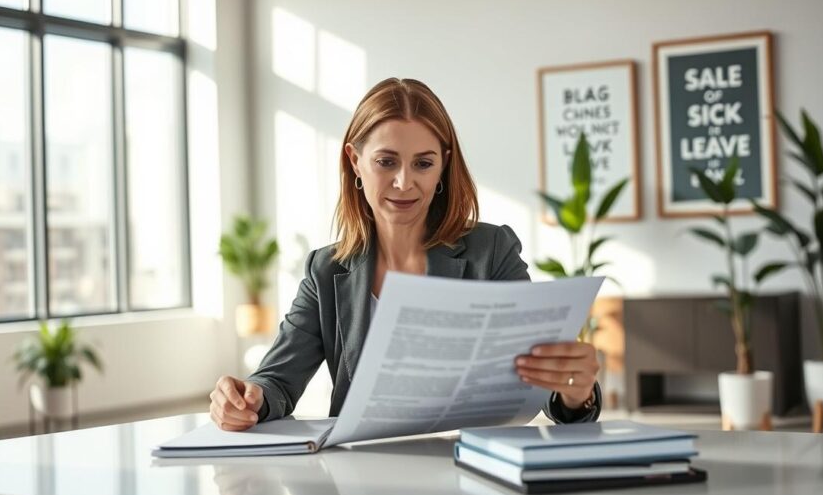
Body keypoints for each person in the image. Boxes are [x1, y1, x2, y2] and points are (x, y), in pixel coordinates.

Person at [210, 78, 601, 431]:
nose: (404, 182)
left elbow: (542, 382)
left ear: (443, 165)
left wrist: (575, 391)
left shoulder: (492, 251)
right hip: (363, 475)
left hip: (474, 467)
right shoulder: (325, 271)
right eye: (386, 161)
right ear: (355, 161)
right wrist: (248, 398)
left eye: (423, 163)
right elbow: (276, 381)